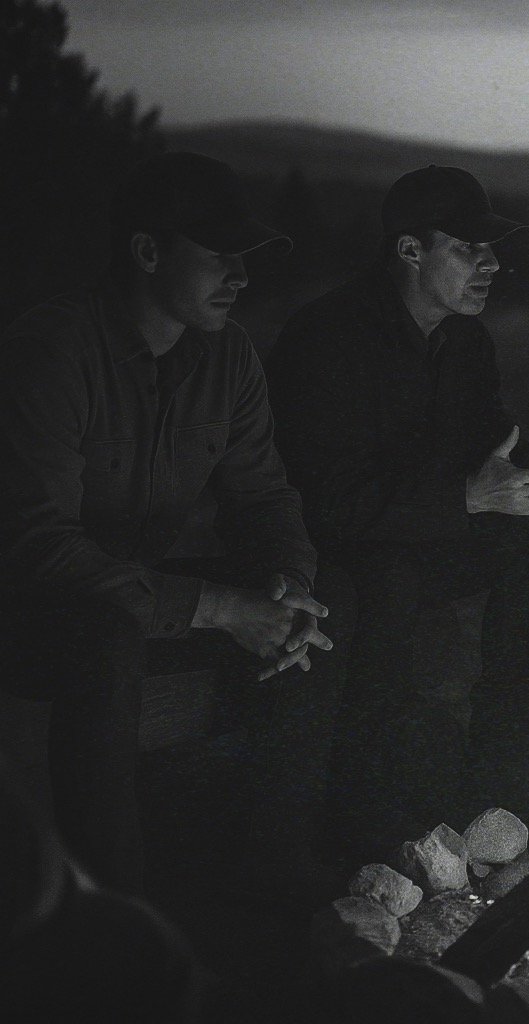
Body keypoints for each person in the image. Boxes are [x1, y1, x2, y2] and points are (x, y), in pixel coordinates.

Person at [0, 152, 345, 902]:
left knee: (315, 615)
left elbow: (265, 496)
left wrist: (288, 587)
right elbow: (38, 545)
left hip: (133, 587)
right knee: (103, 638)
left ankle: (270, 872)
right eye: (219, 256)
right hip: (29, 602)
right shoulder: (54, 349)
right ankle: (110, 915)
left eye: (245, 258)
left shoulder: (228, 357)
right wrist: (221, 608)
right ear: (148, 251)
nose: (241, 277)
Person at [265, 165, 529, 860]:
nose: (493, 264)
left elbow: (484, 444)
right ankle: (363, 820)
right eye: (470, 248)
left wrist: (528, 470)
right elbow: (325, 501)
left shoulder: (464, 340)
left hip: (429, 532)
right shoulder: (327, 337)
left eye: (491, 249)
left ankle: (500, 780)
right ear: (410, 251)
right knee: (388, 580)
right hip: (343, 546)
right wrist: (471, 496)